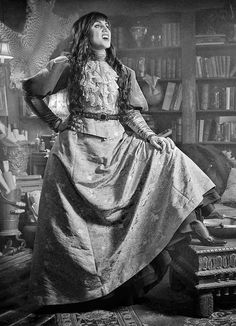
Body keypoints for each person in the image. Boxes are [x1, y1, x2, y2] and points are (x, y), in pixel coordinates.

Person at [22, 11, 226, 312]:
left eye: (107, 26)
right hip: (76, 150)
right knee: (75, 228)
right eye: (97, 25)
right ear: (82, 33)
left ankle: (194, 221)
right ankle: (82, 292)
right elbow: (32, 93)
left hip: (118, 143)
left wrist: (149, 136)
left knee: (168, 155)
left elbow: (131, 113)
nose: (105, 30)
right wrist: (54, 123)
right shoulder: (68, 65)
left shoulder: (122, 70)